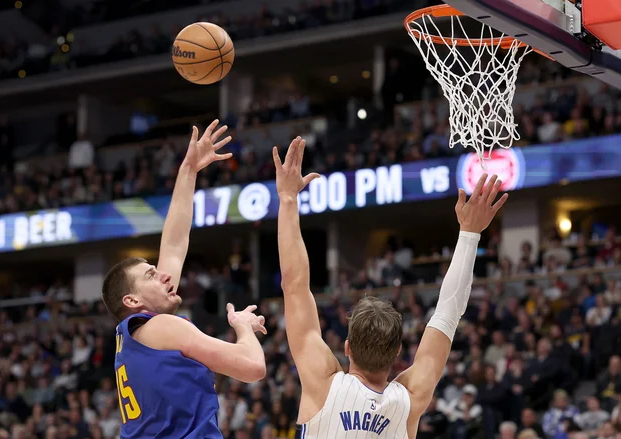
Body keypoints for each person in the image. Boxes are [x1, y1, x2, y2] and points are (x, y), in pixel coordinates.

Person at [273, 136, 508, 438]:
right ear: (398, 352)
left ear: (347, 348)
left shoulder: (323, 383)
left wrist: (288, 199)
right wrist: (470, 234)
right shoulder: (408, 400)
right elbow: (447, 315)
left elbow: (294, 284)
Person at [102, 120, 268, 439]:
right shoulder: (163, 328)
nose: (164, 276)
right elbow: (252, 367)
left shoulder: (132, 338)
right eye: (151, 275)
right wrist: (243, 328)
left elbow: (175, 245)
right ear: (132, 301)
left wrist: (189, 169)